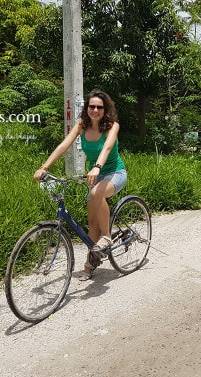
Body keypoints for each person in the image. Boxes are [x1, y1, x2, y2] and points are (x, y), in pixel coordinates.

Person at [34, 90, 127, 281]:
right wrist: (44, 167)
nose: (95, 110)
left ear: (105, 109)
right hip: (94, 176)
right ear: (86, 108)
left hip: (114, 173)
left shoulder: (112, 126)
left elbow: (108, 147)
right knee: (92, 223)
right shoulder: (82, 126)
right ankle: (91, 263)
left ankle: (107, 237)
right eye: (91, 106)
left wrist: (97, 167)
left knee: (96, 194)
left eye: (99, 107)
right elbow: (63, 145)